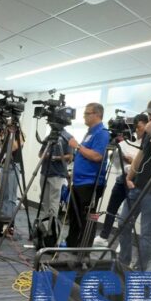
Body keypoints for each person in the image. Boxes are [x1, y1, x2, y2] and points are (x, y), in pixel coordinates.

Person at [118, 98, 151, 271]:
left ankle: (139, 270)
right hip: (138, 184)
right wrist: (129, 177)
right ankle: (123, 261)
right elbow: (141, 154)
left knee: (146, 232)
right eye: (150, 114)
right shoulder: (150, 128)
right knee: (123, 222)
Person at [95, 113, 148, 245]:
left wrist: (132, 161)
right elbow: (115, 162)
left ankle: (123, 243)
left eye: (140, 127)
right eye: (135, 127)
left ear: (147, 126)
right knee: (111, 209)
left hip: (136, 184)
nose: (137, 129)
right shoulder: (127, 141)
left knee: (128, 217)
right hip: (121, 180)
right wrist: (119, 153)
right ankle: (103, 236)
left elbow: (144, 165)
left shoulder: (148, 144)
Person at [64, 103, 110, 248]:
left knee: (87, 220)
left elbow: (97, 156)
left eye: (87, 113)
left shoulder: (102, 133)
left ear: (96, 115)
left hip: (90, 183)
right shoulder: (89, 132)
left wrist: (77, 146)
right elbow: (84, 155)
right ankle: (72, 245)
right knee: (73, 216)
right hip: (79, 182)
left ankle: (83, 252)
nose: (84, 116)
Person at [36, 131, 73, 226]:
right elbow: (40, 154)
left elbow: (70, 156)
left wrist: (55, 157)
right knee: (45, 200)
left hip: (57, 174)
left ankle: (51, 227)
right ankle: (45, 224)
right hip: (44, 172)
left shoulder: (68, 137)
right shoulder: (49, 136)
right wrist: (45, 155)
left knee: (54, 201)